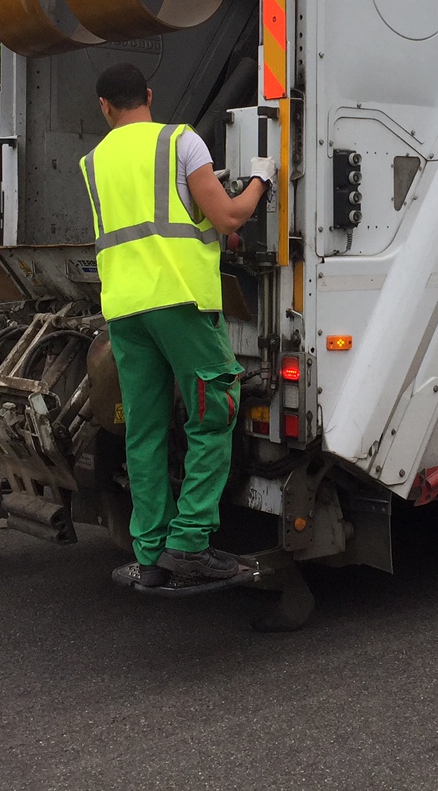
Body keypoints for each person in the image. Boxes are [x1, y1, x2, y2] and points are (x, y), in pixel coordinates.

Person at [79, 63, 277, 590]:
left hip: (124, 308)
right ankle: (188, 544)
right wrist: (261, 178)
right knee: (215, 409)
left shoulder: (93, 161)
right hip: (179, 301)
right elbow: (229, 217)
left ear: (105, 107)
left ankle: (149, 554)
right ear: (148, 94)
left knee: (142, 430)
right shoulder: (181, 142)